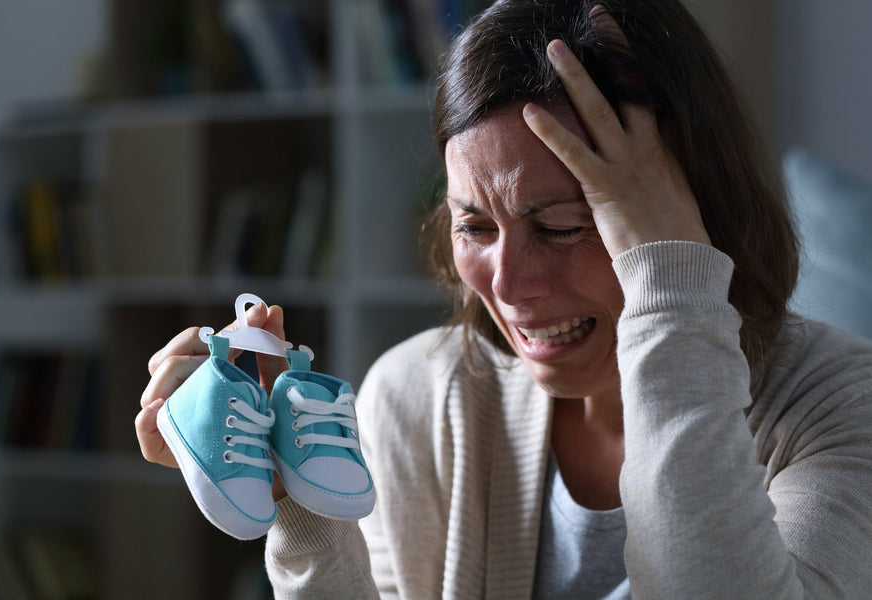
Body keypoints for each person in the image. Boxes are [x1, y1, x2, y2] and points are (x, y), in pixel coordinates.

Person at [135, 0, 872, 597]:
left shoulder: (841, 407)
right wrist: (295, 499)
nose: (509, 285)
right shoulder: (418, 397)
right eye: (474, 225)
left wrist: (674, 281)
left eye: (562, 226)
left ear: (687, 212)